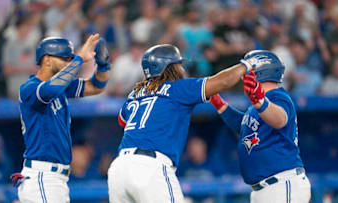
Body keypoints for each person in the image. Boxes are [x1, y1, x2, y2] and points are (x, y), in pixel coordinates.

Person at [107, 44, 271, 203]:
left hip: (119, 169)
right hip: (150, 167)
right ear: (168, 68)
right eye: (178, 64)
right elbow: (222, 82)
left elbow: (123, 121)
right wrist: (247, 65)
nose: (183, 69)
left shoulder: (134, 94)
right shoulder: (178, 88)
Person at [11, 34, 111, 203]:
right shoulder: (29, 88)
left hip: (58, 179)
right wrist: (79, 58)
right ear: (47, 60)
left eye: (70, 58)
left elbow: (96, 86)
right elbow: (50, 90)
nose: (68, 62)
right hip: (42, 176)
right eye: (64, 58)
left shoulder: (62, 87)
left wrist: (103, 65)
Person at [210, 50, 311, 203]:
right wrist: (219, 103)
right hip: (264, 190)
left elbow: (280, 119)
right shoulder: (256, 106)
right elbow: (244, 126)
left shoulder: (279, 96)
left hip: (282, 184)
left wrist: (260, 101)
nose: (244, 73)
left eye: (249, 68)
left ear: (261, 70)